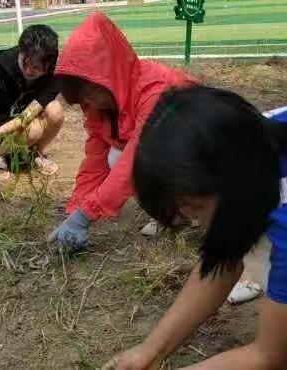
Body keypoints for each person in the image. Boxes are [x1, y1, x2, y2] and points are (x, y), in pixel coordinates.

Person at [103, 86, 287, 369]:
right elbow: (224, 255)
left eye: (196, 208)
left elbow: (270, 355)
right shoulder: (245, 136)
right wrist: (150, 351)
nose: (196, 223)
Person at [49, 12, 197, 251]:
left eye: (93, 90)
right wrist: (75, 209)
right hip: (172, 156)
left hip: (203, 153)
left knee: (133, 162)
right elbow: (95, 160)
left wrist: (86, 216)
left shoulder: (155, 91)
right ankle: (174, 216)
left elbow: (135, 158)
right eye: (83, 93)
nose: (90, 100)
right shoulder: (100, 105)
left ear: (111, 75)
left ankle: (200, 210)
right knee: (113, 156)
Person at [0, 24, 64, 176]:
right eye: (25, 62)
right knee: (33, 129)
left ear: (48, 66)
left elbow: (25, 118)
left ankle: (36, 153)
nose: (28, 70)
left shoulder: (54, 76)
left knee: (55, 110)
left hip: (25, 121)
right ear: (20, 52)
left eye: (36, 67)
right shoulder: (7, 59)